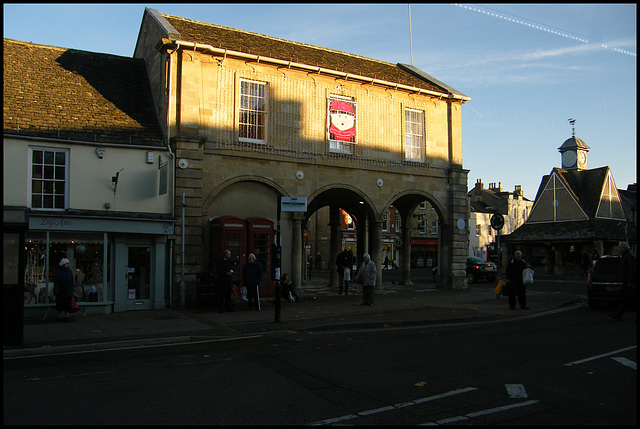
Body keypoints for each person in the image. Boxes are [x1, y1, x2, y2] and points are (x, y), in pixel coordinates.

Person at [610, 242, 636, 321]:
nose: (618, 249)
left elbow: (632, 270)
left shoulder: (629, 256)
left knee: (629, 299)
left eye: (619, 247)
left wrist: (629, 282)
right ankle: (618, 315)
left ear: (624, 248)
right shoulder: (625, 255)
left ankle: (618, 314)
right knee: (625, 299)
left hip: (630, 282)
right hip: (627, 282)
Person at [53, 257, 75, 322]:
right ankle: (59, 316)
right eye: (66, 263)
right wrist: (56, 291)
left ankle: (66, 315)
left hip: (68, 291)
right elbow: (56, 282)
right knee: (60, 304)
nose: (67, 265)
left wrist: (72, 290)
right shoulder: (59, 271)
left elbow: (71, 281)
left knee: (67, 304)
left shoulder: (69, 271)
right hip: (61, 290)